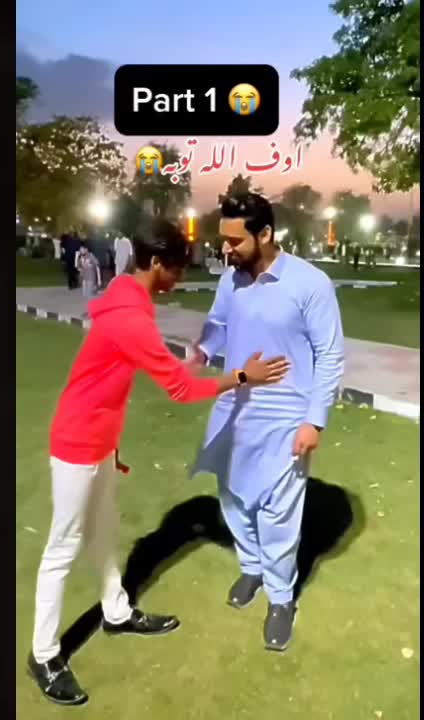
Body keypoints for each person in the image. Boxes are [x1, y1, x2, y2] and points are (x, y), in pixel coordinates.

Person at [28, 217, 290, 706]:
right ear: (153, 263)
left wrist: (181, 364)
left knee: (104, 533)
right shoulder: (131, 316)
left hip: (100, 440)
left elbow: (153, 367)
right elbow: (181, 390)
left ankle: (116, 611)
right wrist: (242, 376)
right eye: (175, 268)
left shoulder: (127, 296)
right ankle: (43, 655)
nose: (179, 277)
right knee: (63, 547)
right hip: (77, 442)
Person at [188, 192, 345, 653]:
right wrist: (202, 350)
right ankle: (251, 567)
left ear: (266, 234)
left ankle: (280, 598)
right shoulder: (230, 280)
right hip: (234, 411)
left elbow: (330, 355)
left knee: (279, 513)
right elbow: (219, 325)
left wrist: (314, 421)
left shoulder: (309, 284)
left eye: (235, 241)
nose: (226, 249)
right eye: (224, 239)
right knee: (234, 498)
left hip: (286, 417)